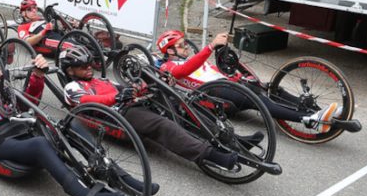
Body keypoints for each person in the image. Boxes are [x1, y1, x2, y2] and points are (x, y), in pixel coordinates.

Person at [0, 56, 155, 196]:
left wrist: (37, 76)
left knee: (70, 125)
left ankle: (117, 175)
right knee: (41, 145)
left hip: (22, 124)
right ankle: (85, 195)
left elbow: (24, 104)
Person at [61, 46, 242, 171]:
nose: (88, 68)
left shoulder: (101, 80)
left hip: (133, 103)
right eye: (82, 67)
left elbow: (123, 88)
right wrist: (115, 97)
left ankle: (231, 138)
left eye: (89, 64)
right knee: (164, 125)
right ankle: (211, 156)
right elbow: (87, 100)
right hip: (120, 115)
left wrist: (141, 86)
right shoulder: (72, 88)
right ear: (70, 71)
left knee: (181, 104)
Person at [156, 30, 341, 133]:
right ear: (170, 51)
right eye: (181, 45)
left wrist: (236, 76)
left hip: (225, 85)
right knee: (260, 101)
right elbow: (183, 71)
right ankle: (308, 119)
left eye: (185, 42)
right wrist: (210, 47)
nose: (186, 46)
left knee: (273, 90)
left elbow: (213, 70)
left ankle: (318, 112)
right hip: (214, 96)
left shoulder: (191, 58)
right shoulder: (168, 67)